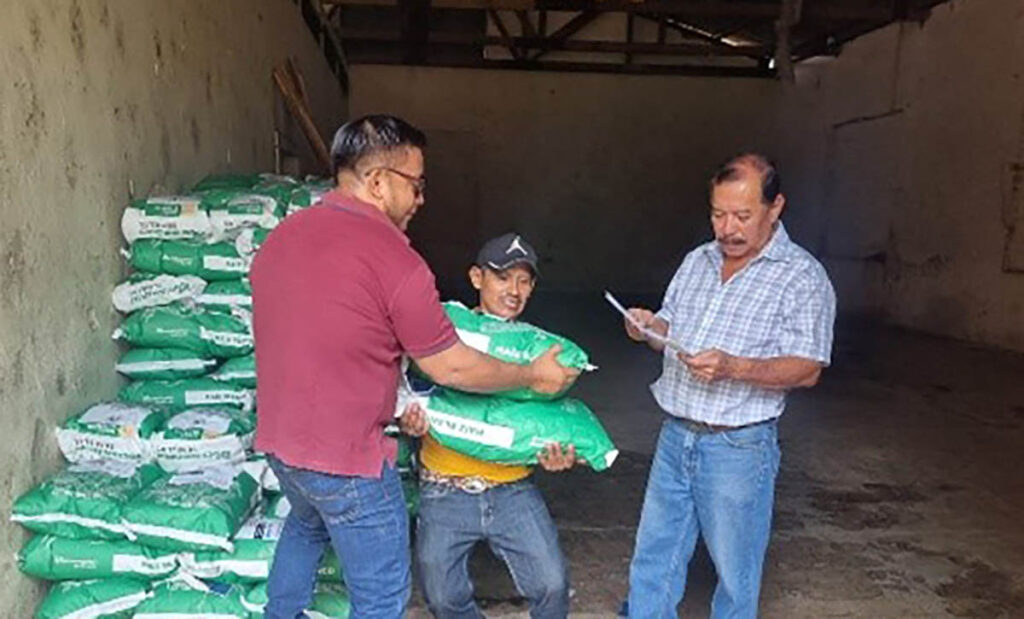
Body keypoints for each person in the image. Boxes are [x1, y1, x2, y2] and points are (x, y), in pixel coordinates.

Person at [250, 115, 579, 619]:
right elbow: (451, 367)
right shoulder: (393, 259)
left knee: (306, 526)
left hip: (282, 445)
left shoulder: (282, 238)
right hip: (348, 459)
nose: (421, 199)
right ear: (378, 182)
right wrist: (533, 375)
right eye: (416, 185)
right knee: (381, 597)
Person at [621, 154, 836, 618]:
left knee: (735, 571)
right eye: (718, 215)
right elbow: (669, 327)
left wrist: (734, 368)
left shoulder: (801, 276)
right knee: (655, 554)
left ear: (775, 207)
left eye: (742, 215)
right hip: (676, 434)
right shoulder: (697, 261)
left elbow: (807, 368)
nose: (727, 229)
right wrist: (648, 327)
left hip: (738, 447)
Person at [398, 233, 576, 619]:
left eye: (524, 281)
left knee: (552, 585)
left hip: (513, 489)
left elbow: (553, 419)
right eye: (503, 277)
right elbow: (410, 391)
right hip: (444, 489)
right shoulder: (445, 335)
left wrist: (556, 455)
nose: (514, 290)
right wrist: (410, 421)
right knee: (443, 598)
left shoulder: (536, 351)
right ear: (477, 278)